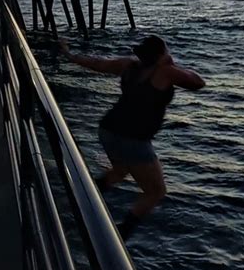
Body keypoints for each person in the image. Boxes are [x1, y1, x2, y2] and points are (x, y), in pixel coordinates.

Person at [60, 35, 205, 240]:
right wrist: (171, 62)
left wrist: (70, 55)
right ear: (161, 55)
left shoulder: (128, 65)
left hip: (109, 130)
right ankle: (122, 235)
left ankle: (78, 201)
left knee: (119, 172)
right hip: (134, 138)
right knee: (156, 191)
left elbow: (97, 64)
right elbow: (198, 82)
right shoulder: (165, 72)